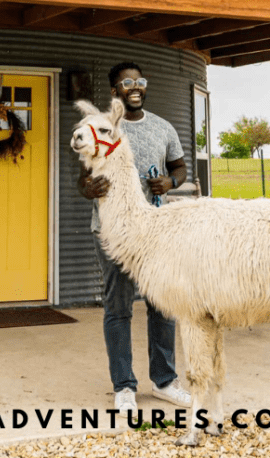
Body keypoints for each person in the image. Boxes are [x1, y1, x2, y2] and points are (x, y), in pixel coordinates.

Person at [77, 61, 192, 416]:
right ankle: (124, 386)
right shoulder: (103, 128)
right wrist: (87, 189)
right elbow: (82, 177)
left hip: (156, 231)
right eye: (127, 83)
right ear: (115, 91)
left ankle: (165, 381)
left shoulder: (163, 127)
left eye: (140, 81)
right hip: (113, 232)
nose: (135, 87)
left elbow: (181, 167)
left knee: (163, 305)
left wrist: (171, 183)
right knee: (118, 307)